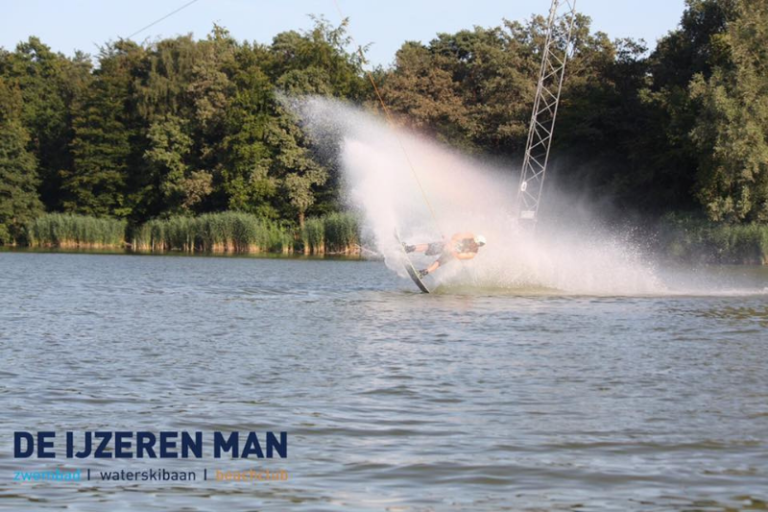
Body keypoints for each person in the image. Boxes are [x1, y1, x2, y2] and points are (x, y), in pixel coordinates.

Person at [403, 232, 486, 277]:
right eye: (473, 241)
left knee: (439, 262)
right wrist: (451, 242)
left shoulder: (472, 253)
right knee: (429, 246)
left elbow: (458, 256)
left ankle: (422, 273)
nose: (473, 243)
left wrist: (452, 250)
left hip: (453, 254)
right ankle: (409, 248)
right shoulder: (470, 235)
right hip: (449, 244)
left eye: (475, 243)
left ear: (478, 245)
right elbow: (456, 235)